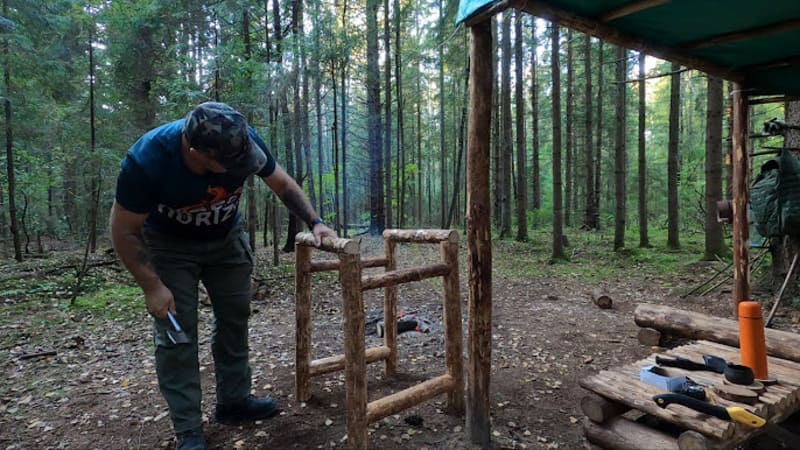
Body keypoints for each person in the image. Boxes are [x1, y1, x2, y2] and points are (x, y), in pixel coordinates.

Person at [109, 102, 336, 450]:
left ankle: (234, 402)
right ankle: (188, 429)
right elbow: (123, 231)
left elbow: (282, 183)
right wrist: (152, 286)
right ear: (194, 150)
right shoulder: (148, 160)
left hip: (226, 240)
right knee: (177, 333)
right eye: (225, 165)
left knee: (234, 318)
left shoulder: (243, 141)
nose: (236, 170)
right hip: (170, 248)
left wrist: (316, 222)